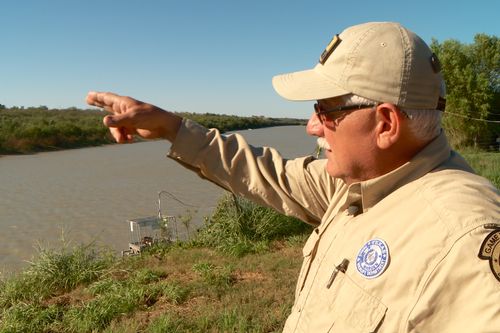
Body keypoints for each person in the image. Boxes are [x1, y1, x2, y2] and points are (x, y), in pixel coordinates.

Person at [87, 21, 499, 333]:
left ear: (386, 124)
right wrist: (171, 128)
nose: (313, 127)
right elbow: (266, 173)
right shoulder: (359, 184)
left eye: (326, 110)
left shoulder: (462, 236)